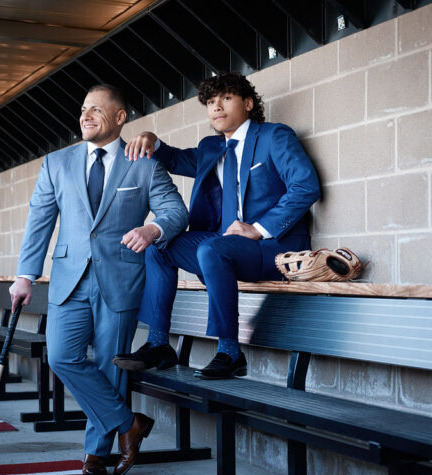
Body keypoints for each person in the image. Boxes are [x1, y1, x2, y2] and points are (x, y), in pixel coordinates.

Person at [9, 84, 188, 475]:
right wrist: (25, 275)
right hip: (68, 280)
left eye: (96, 109)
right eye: (83, 109)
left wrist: (153, 229)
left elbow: (176, 210)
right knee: (61, 356)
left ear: (120, 117)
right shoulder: (56, 162)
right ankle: (129, 424)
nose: (86, 115)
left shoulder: (143, 163)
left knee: (111, 365)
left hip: (120, 278)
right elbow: (40, 221)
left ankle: (96, 452)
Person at [113, 72, 320, 379]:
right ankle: (158, 344)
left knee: (212, 247)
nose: (217, 107)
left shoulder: (274, 137)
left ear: (248, 104)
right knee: (160, 246)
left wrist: (259, 228)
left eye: (226, 98)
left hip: (271, 247)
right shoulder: (212, 148)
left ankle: (229, 352)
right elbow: (174, 158)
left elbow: (306, 186)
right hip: (223, 248)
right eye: (211, 102)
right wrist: (151, 139)